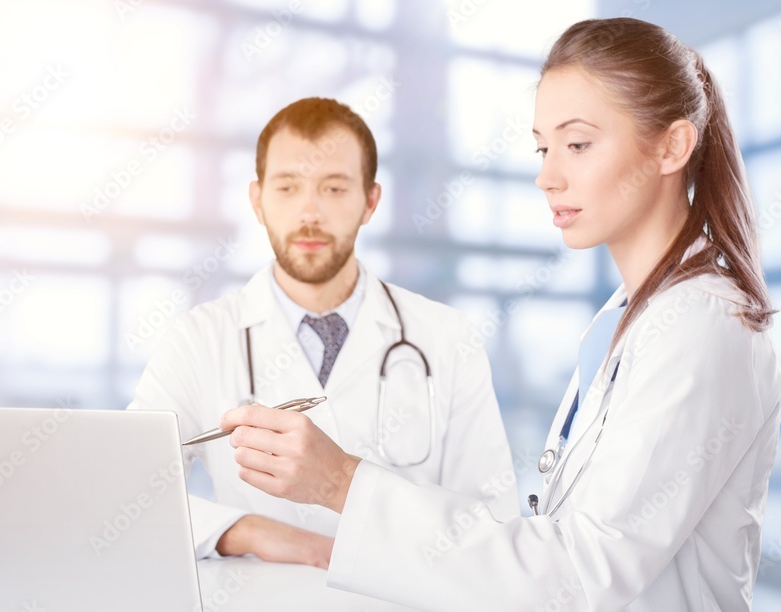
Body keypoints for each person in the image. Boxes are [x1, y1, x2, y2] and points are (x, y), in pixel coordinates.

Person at [219, 18, 781, 612]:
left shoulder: (700, 327)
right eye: (542, 148)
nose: (547, 176)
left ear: (671, 146)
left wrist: (344, 482)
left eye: (577, 145)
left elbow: (578, 573)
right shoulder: (629, 315)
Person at [129, 97, 519, 565]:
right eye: (288, 188)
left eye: (334, 189)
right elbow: (130, 493)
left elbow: (494, 523)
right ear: (257, 200)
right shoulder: (198, 339)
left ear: (370, 201)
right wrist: (248, 530)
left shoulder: (445, 337)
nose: (309, 213)